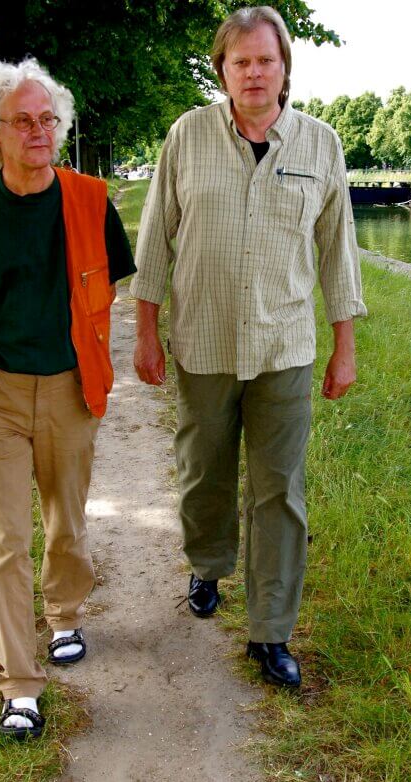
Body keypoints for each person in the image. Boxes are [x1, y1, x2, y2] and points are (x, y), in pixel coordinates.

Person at [131, 6, 365, 688]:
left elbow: (337, 253)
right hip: (201, 343)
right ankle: (206, 565)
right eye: (241, 62)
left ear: (284, 68)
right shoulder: (187, 136)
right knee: (203, 473)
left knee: (278, 492)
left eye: (265, 60)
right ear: (223, 71)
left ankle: (269, 631)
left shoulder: (319, 145)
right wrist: (145, 331)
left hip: (283, 346)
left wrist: (343, 347)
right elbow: (154, 240)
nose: (254, 73)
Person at [0, 59, 135, 738]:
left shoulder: (89, 199)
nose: (40, 131)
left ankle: (66, 615)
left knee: (66, 522)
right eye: (24, 120)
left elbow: (114, 283)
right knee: (3, 541)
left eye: (48, 119)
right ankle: (20, 685)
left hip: (72, 385)